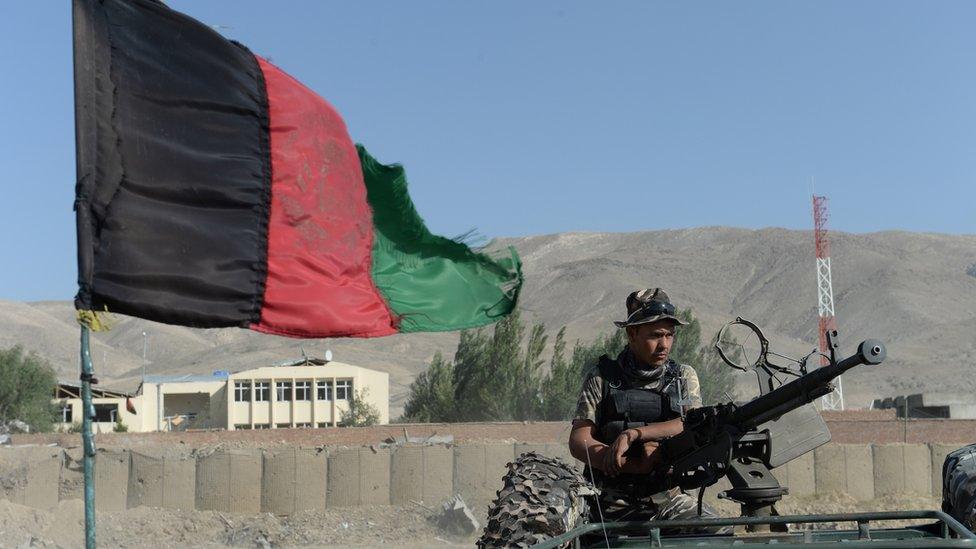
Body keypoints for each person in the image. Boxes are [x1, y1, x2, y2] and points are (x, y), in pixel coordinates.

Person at [568, 288, 725, 529]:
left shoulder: (683, 377)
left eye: (670, 335)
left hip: (666, 498)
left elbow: (690, 423)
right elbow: (579, 439)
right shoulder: (602, 378)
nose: (664, 344)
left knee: (717, 531)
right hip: (609, 503)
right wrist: (614, 459)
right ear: (632, 333)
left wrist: (634, 434)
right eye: (655, 335)